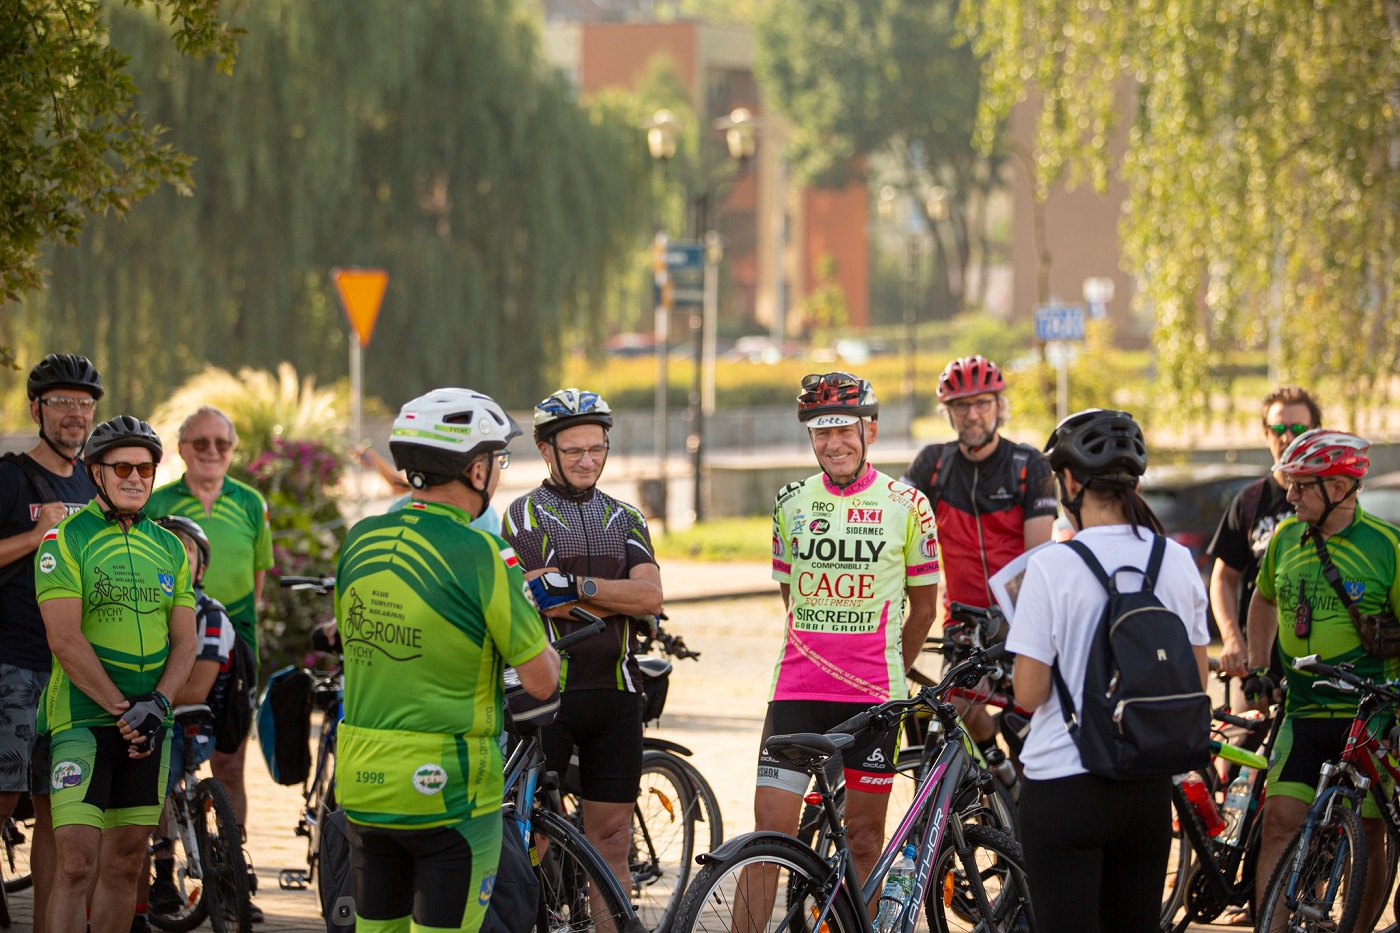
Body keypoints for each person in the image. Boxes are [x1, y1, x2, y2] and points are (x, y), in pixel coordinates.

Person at [335, 388, 559, 933]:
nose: (499, 472)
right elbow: (540, 679)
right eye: (498, 459)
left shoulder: (360, 539)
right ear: (476, 469)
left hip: (363, 779)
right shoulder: (484, 554)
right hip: (449, 789)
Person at [1006, 409, 1210, 933]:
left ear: (1071, 482)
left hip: (1064, 785)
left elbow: (1028, 694)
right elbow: (1196, 680)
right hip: (1146, 785)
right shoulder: (1175, 560)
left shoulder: (1051, 566)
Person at [750, 372, 939, 902]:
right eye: (821, 432)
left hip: (874, 699)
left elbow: (925, 610)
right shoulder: (789, 501)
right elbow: (791, 596)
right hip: (796, 691)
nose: (833, 444)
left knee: (863, 840)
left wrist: (889, 667)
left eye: (844, 431)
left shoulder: (909, 504)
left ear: (870, 431)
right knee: (768, 842)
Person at [36, 416, 197, 933]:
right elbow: (64, 638)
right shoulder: (66, 539)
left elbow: (186, 641)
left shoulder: (169, 547)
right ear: (95, 472)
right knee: (75, 863)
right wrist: (123, 709)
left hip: (149, 724)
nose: (135, 478)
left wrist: (158, 705)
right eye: (122, 467)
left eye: (145, 469)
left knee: (127, 862)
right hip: (82, 719)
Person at [501, 388, 664, 892]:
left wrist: (579, 586)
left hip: (617, 695)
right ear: (546, 450)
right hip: (549, 695)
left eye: (596, 448)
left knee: (612, 842)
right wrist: (620, 597)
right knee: (532, 839)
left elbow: (652, 597)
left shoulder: (626, 517)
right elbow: (546, 599)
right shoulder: (525, 514)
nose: (587, 460)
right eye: (573, 450)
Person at [1246, 429, 1400, 927]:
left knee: (1368, 836)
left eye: (1301, 486)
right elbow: (1263, 600)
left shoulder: (1386, 545)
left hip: (1371, 716)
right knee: (1278, 823)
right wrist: (1257, 665)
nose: (1290, 495)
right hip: (1304, 711)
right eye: (1289, 484)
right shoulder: (1285, 539)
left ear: (1338, 488)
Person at [900, 355, 1056, 765]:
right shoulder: (933, 465)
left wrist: (1023, 626)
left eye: (982, 403)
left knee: (1027, 731)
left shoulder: (1029, 465)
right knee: (957, 704)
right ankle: (992, 764)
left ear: (999, 406)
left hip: (1019, 618)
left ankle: (1018, 781)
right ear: (948, 412)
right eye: (961, 405)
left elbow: (1037, 558)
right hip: (962, 620)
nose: (972, 414)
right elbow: (894, 526)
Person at [147, 405, 271, 915]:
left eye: (222, 443)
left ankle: (229, 875)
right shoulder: (158, 502)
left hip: (231, 646)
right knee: (161, 763)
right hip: (163, 638)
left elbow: (257, 579)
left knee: (231, 763)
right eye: (201, 442)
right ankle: (162, 873)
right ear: (182, 449)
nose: (212, 452)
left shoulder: (251, 502)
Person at [0, 353, 103, 933]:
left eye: (84, 404)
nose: (75, 413)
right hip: (12, 663)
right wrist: (37, 535)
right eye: (62, 401)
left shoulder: (96, 480)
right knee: (1, 796)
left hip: (73, 671)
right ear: (36, 408)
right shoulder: (9, 478)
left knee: (54, 811)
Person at [140, 516, 235, 926]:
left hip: (189, 722)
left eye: (186, 552)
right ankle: (159, 874)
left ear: (200, 568)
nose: (175, 558)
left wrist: (144, 699)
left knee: (155, 778)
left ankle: (166, 874)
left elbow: (196, 689)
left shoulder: (210, 615)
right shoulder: (144, 608)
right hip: (153, 715)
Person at [1210, 385, 1323, 682]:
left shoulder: (1333, 499)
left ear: (1316, 432)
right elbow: (1223, 578)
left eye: (1298, 428)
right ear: (1266, 434)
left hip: (1321, 665)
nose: (1287, 437)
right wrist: (1232, 639)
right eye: (1278, 429)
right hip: (1259, 663)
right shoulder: (1250, 501)